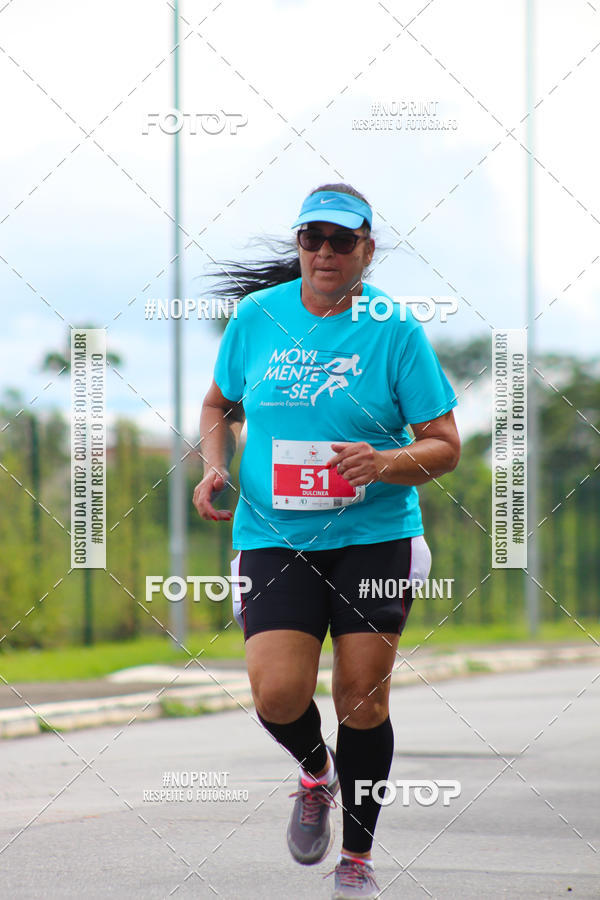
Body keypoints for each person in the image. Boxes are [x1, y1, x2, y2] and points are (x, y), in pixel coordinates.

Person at [193, 183, 460, 899]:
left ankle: (358, 860)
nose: (325, 252)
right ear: (299, 246)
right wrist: (217, 464)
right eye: (313, 239)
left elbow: (444, 445)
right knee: (278, 694)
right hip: (275, 535)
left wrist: (385, 463)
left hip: (374, 536)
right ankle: (316, 772)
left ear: (367, 250)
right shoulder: (257, 318)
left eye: (342, 241)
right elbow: (220, 404)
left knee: (361, 700)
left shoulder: (395, 331)